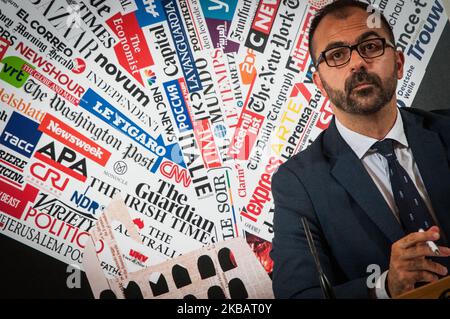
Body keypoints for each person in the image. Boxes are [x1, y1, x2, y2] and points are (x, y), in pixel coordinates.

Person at [270, 0, 450, 299]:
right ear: (320, 82)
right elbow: (297, 295)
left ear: (399, 63)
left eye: (370, 47)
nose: (357, 64)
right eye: (337, 54)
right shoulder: (298, 184)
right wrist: (385, 286)